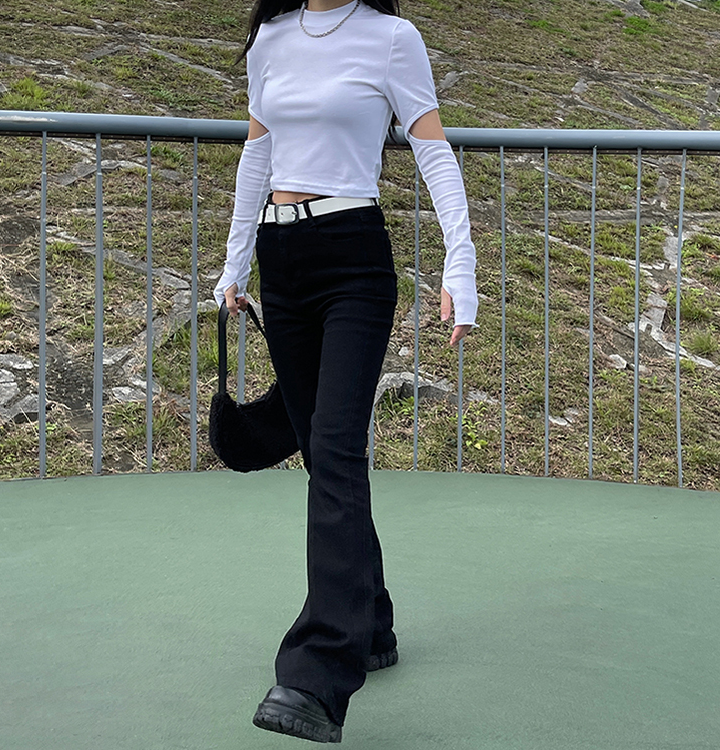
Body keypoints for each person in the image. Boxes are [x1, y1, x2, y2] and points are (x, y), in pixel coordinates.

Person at [213, 0, 478, 742]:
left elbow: (432, 150)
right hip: (281, 260)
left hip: (352, 257)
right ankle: (374, 621)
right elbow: (257, 154)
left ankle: (318, 672)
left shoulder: (391, 37)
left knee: (334, 447)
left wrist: (461, 265)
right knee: (318, 447)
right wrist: (236, 261)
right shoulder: (269, 39)